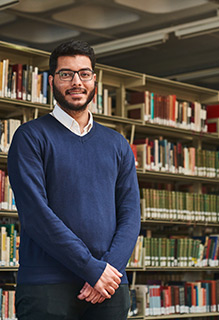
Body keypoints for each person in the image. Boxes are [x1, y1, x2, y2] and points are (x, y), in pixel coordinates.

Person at [8, 40, 141, 320]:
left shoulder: (117, 143)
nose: (76, 82)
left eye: (84, 73)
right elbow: (36, 214)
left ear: (94, 80)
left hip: (109, 286)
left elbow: (130, 215)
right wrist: (92, 270)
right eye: (66, 74)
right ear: (52, 80)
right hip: (47, 286)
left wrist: (107, 270)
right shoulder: (30, 137)